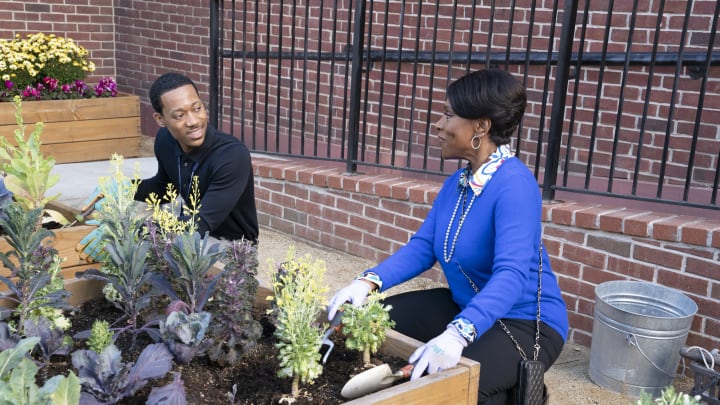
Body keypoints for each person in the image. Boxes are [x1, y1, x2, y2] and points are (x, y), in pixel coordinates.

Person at [327, 69, 568, 404]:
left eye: (448, 114)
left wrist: (457, 333)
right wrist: (367, 283)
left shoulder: (515, 186)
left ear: (481, 127)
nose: (438, 125)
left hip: (524, 321)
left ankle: (517, 392)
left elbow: (511, 275)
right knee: (378, 324)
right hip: (467, 304)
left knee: (451, 387)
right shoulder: (458, 183)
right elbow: (424, 247)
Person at [78, 72, 258, 258]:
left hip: (231, 248)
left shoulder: (232, 156)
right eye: (179, 115)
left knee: (137, 253)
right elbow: (164, 189)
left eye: (197, 108)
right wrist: (124, 189)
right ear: (160, 119)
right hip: (187, 231)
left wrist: (129, 231)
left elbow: (199, 224)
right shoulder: (165, 141)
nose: (193, 121)